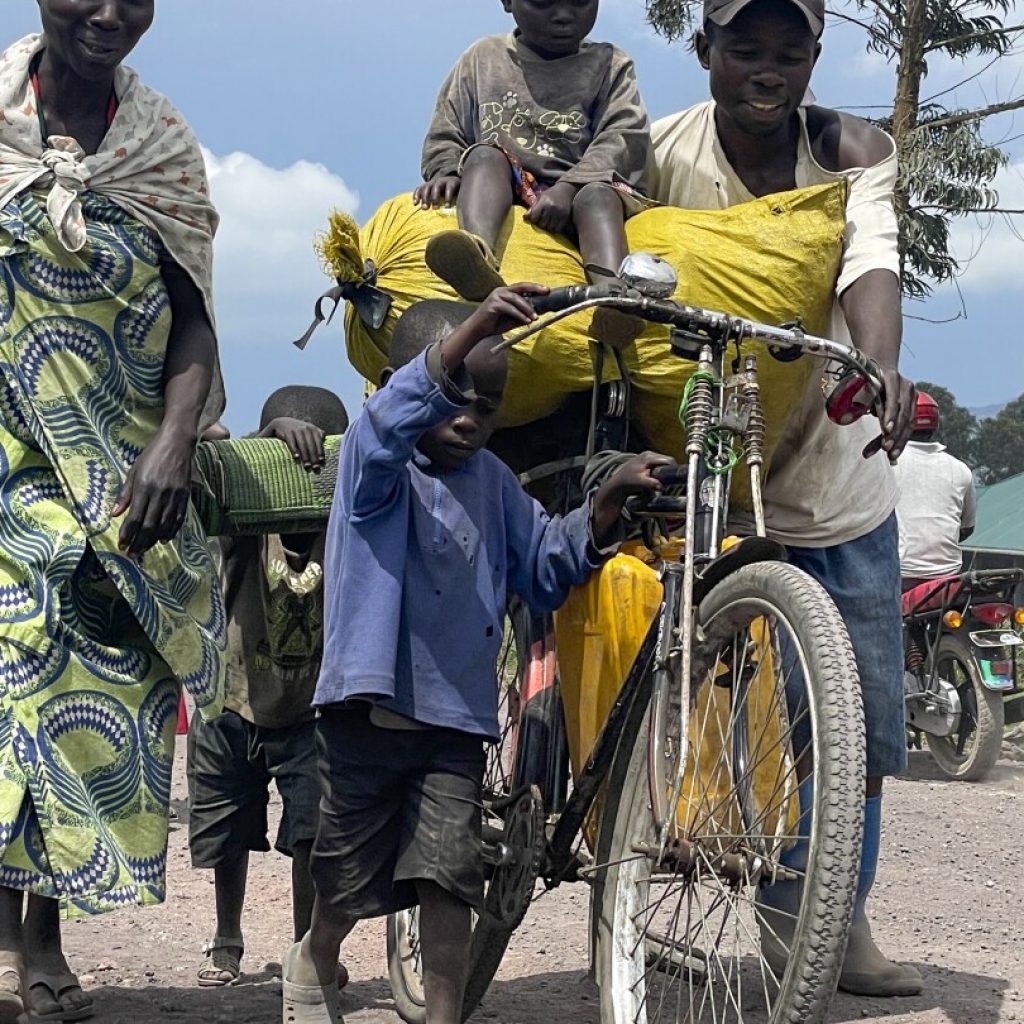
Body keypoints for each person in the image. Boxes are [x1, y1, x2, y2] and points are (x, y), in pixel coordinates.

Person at [280, 284, 672, 1024]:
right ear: (407, 388)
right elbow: (392, 419)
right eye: (449, 395)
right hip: (369, 715)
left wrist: (604, 509)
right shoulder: (374, 469)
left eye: (486, 405)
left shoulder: (495, 487)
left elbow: (547, 563)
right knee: (347, 876)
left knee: (448, 876)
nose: (466, 418)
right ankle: (319, 953)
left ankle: (442, 1014)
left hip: (455, 724)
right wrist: (477, 328)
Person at [648, 0, 922, 998]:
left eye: (787, 51)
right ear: (705, 51)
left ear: (813, 56)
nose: (765, 69)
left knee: (860, 724)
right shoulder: (658, 151)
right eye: (743, 48)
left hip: (832, 465)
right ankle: (643, 874)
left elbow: (870, 257)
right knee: (681, 693)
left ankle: (830, 917)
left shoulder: (850, 147)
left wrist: (880, 365)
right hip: (705, 462)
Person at [0, 4, 224, 1022]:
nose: (108, 12)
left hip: (124, 475)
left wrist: (175, 440)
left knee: (86, 699)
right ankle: (21, 945)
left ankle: (41, 930)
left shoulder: (162, 146)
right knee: (16, 670)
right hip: (7, 459)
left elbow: (195, 315)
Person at [188, 387, 348, 988]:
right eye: (287, 467)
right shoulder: (247, 524)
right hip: (232, 699)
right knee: (227, 830)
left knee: (312, 832)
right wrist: (269, 438)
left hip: (311, 709)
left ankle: (307, 948)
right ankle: (227, 938)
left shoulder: (342, 525)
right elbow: (214, 467)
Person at [414, 0, 651, 316]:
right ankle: (476, 257)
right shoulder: (483, 58)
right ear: (508, 2)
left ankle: (615, 299)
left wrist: (568, 188)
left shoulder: (610, 64)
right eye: (542, 3)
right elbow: (448, 127)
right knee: (484, 156)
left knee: (597, 198)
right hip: (506, 183)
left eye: (581, 2)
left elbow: (622, 135)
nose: (564, 15)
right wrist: (445, 171)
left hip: (581, 188)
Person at [895, 391, 976, 588]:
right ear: (935, 426)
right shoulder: (961, 469)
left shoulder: (887, 463)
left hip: (900, 574)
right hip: (949, 576)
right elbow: (967, 528)